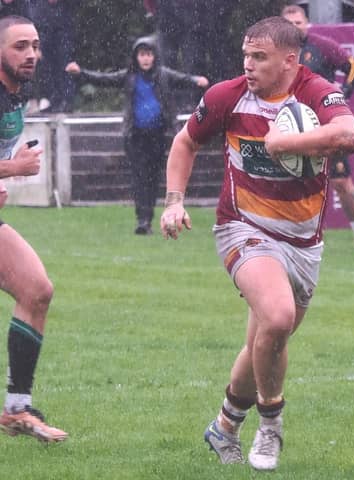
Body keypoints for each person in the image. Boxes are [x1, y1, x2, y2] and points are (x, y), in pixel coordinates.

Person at [159, 16, 354, 470]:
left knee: (265, 344)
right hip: (243, 228)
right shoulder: (227, 96)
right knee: (278, 316)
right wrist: (174, 201)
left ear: (291, 60)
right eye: (246, 55)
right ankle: (271, 424)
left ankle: (225, 426)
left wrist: (287, 143)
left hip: (305, 242)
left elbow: (349, 135)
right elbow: (185, 142)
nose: (248, 65)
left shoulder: (315, 90)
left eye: (259, 57)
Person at [0, 14, 67, 443]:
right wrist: (13, 168)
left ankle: (16, 408)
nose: (31, 54)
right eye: (20, 46)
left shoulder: (18, 91)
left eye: (35, 45)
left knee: (37, 290)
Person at [65, 36, 209, 235]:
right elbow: (103, 80)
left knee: (153, 178)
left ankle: (147, 216)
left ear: (154, 56)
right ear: (136, 57)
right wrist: (81, 73)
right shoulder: (129, 76)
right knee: (139, 178)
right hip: (135, 137)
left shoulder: (163, 75)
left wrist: (196, 81)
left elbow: (183, 79)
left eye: (149, 54)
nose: (146, 59)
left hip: (158, 135)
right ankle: (143, 220)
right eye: (142, 55)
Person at [282, 4, 354, 254]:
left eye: (298, 23)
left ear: (306, 24)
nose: (294, 28)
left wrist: (341, 94)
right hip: (289, 129)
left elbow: (353, 67)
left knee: (342, 182)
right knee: (289, 183)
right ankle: (293, 237)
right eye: (289, 24)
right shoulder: (276, 52)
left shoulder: (322, 45)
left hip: (324, 127)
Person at [30, 0, 76, 113]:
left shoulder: (64, 6)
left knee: (64, 68)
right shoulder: (38, 6)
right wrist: (37, 47)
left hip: (63, 36)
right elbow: (36, 23)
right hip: (45, 36)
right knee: (48, 70)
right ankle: (54, 101)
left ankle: (66, 101)